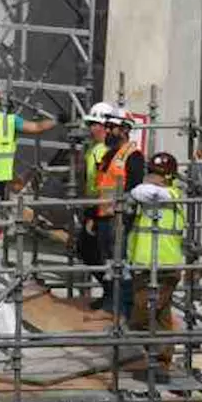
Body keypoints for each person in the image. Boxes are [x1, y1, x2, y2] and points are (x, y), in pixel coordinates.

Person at [127, 151, 184, 382]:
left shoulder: (171, 194)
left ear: (168, 177)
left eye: (156, 173)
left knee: (141, 317)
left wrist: (146, 184)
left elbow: (141, 191)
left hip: (165, 267)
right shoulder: (154, 195)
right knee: (161, 316)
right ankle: (162, 365)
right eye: (149, 172)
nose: (151, 177)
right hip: (144, 265)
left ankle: (158, 358)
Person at [89, 107, 146, 312]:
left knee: (119, 262)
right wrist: (92, 217)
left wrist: (124, 214)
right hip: (104, 215)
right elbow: (101, 187)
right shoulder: (108, 155)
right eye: (107, 126)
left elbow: (135, 189)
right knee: (107, 263)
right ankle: (110, 300)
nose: (108, 130)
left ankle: (123, 306)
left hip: (121, 218)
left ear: (124, 130)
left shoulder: (134, 155)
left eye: (112, 127)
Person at [76, 101, 114, 302]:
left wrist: (93, 215)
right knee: (88, 250)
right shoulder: (94, 148)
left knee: (93, 251)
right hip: (94, 206)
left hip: (102, 210)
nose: (91, 128)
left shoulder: (105, 151)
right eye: (90, 124)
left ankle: (111, 294)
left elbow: (104, 185)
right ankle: (110, 293)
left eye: (95, 124)